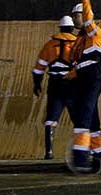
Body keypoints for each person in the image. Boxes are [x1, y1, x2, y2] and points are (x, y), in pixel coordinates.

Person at [66, 0, 101, 172]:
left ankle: (81, 160)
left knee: (83, 118)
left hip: (92, 77)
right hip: (83, 78)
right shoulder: (80, 39)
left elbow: (89, 20)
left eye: (76, 16)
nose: (74, 19)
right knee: (92, 122)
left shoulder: (94, 32)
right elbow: (77, 61)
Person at [30, 14, 77, 160]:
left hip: (55, 84)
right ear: (71, 28)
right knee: (79, 119)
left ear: (60, 28)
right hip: (72, 85)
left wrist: (37, 84)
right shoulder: (77, 44)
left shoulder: (49, 45)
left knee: (51, 118)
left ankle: (49, 152)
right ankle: (83, 151)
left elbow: (39, 68)